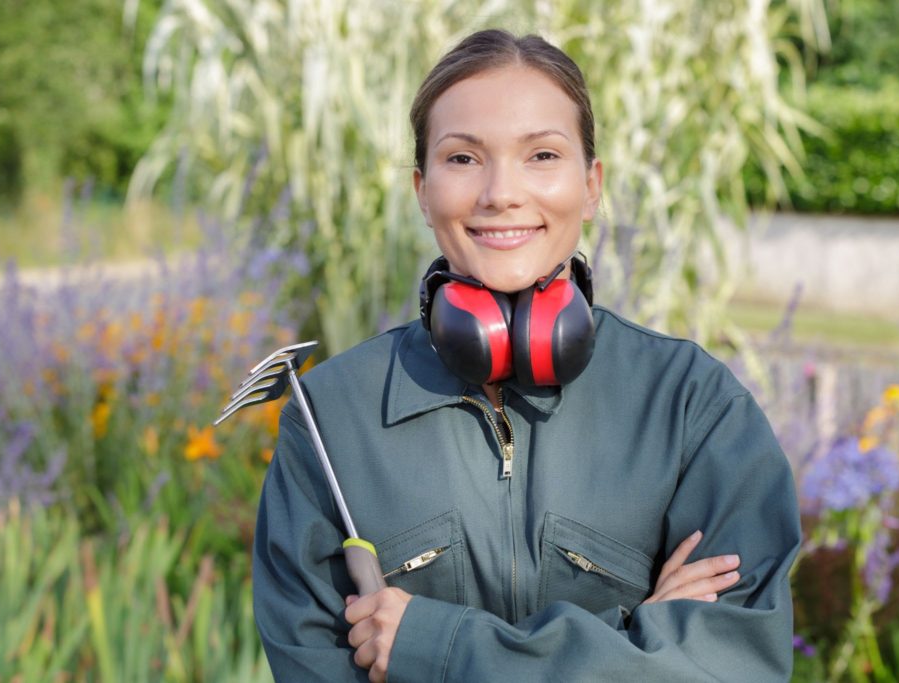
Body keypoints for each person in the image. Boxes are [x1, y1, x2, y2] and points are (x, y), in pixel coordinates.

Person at [253, 29, 800, 682]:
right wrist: (636, 642)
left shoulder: (691, 405)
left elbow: (733, 666)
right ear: (422, 190)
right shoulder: (331, 419)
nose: (501, 193)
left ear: (592, 185)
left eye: (542, 154)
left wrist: (438, 646)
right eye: (463, 159)